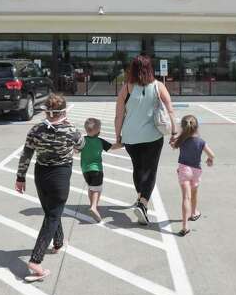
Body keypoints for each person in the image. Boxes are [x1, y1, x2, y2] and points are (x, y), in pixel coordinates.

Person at [15, 93, 84, 282]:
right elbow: (81, 145)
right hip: (60, 175)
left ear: (46, 111)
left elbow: (26, 154)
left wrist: (20, 177)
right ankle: (36, 260)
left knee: (51, 210)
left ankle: (58, 242)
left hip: (41, 174)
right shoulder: (71, 129)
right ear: (63, 111)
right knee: (53, 215)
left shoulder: (37, 129)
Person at [115, 54, 178, 225]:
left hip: (130, 137)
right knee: (150, 170)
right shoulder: (158, 86)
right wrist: (174, 132)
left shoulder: (126, 88)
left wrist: (118, 136)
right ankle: (143, 204)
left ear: (132, 69)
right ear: (149, 68)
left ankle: (140, 198)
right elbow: (170, 110)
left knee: (138, 168)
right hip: (153, 136)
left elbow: (119, 115)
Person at [171, 115, 215, 236]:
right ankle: (194, 213)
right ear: (196, 127)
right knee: (194, 195)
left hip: (184, 170)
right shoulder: (201, 142)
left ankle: (185, 226)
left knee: (186, 198)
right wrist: (210, 160)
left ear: (183, 127)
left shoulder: (181, 140)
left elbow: (173, 145)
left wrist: (173, 138)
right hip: (196, 171)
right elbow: (212, 154)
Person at [79, 117, 123, 221]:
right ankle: (94, 207)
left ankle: (92, 205)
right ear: (98, 131)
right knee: (97, 189)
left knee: (91, 187)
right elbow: (112, 147)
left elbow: (76, 150)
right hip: (97, 169)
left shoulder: (83, 140)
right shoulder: (100, 141)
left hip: (85, 170)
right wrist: (122, 144)